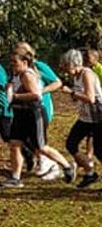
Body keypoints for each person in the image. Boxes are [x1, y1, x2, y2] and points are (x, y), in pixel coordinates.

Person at [1, 47, 76, 188]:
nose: (12, 64)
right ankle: (15, 178)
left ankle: (66, 166)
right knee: (14, 144)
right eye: (11, 62)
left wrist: (15, 96)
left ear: (24, 62)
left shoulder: (27, 75)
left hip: (33, 114)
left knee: (40, 147)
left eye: (15, 62)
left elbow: (36, 94)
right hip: (20, 113)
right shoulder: (16, 73)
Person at [60, 49, 102, 190]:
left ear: (75, 64)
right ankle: (90, 171)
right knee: (71, 144)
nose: (65, 71)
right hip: (85, 117)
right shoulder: (76, 76)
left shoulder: (87, 74)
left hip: (98, 116)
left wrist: (72, 92)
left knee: (99, 151)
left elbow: (90, 98)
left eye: (67, 66)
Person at [15, 42, 64, 181]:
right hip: (26, 109)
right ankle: (45, 162)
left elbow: (57, 82)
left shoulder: (40, 66)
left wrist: (42, 90)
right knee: (29, 139)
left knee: (38, 140)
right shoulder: (19, 70)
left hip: (41, 107)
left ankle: (53, 165)